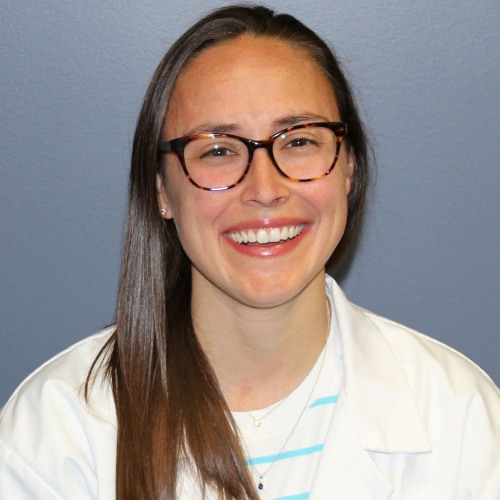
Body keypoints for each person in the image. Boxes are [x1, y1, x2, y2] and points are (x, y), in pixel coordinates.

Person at [1, 4, 499, 499]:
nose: (265, 188)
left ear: (349, 169)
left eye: (300, 141)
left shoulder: (464, 417)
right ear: (160, 190)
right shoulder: (53, 433)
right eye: (218, 149)